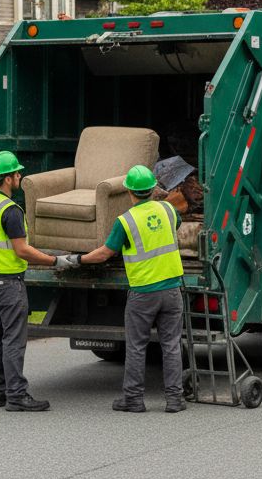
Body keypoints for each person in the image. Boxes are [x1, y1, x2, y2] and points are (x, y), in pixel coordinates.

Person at [63, 164, 187, 414]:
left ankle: (133, 399)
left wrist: (78, 259)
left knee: (137, 346)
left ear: (129, 193)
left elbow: (105, 253)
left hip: (144, 293)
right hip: (173, 290)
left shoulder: (126, 221)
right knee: (171, 345)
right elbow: (175, 224)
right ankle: (174, 399)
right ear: (154, 189)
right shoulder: (168, 210)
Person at [0, 150, 77, 412]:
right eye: (17, 173)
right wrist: (55, 261)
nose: (20, 176)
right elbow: (21, 250)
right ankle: (17, 396)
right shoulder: (11, 211)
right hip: (9, 283)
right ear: (8, 179)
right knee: (13, 340)